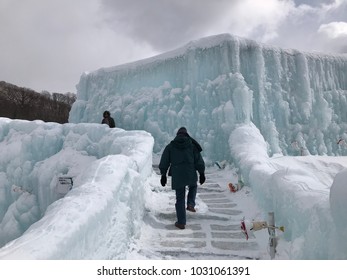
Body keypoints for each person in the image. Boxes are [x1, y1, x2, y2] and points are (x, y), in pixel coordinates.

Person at [159, 127, 205, 230]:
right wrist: (201, 173)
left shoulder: (171, 146)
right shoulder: (192, 145)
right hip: (190, 171)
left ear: (177, 135)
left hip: (177, 173)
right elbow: (198, 160)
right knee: (193, 186)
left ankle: (181, 222)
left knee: (180, 198)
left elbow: (164, 161)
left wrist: (163, 175)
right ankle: (190, 204)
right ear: (186, 134)